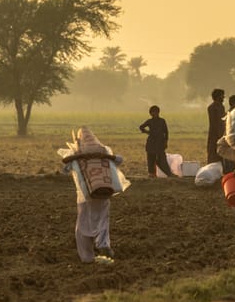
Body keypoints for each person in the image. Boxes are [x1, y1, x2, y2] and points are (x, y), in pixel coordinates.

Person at [60, 127, 128, 264]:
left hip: (85, 198)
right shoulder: (104, 151)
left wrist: (80, 156)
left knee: (83, 227)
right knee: (102, 221)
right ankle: (103, 245)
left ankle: (87, 256)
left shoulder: (78, 153)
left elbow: (64, 168)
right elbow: (119, 160)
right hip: (102, 195)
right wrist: (103, 156)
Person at [139, 105, 176, 178]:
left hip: (160, 143)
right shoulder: (149, 121)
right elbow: (141, 127)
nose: (154, 114)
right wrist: (148, 132)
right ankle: (152, 174)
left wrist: (166, 142)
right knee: (151, 158)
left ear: (158, 112)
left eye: (155, 112)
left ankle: (169, 174)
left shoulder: (162, 121)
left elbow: (166, 132)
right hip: (151, 143)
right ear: (150, 113)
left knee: (162, 159)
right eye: (152, 112)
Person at [206, 88, 226, 164]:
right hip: (215, 134)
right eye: (222, 96)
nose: (223, 97)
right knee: (213, 152)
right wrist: (219, 134)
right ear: (218, 96)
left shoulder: (221, 107)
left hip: (221, 133)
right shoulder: (212, 108)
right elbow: (215, 123)